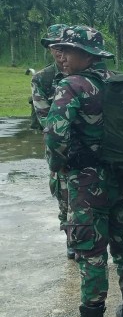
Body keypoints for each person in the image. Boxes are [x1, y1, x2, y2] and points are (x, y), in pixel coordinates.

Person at [44, 26, 123, 317]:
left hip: (87, 181)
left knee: (90, 251)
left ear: (86, 55)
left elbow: (56, 135)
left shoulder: (72, 86)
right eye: (58, 49)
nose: (60, 55)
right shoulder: (117, 82)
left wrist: (59, 166)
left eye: (67, 50)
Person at [30, 25, 72, 258]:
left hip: (90, 146)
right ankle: (70, 238)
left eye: (63, 46)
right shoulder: (43, 79)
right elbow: (45, 117)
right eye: (54, 46)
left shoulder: (85, 73)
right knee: (64, 192)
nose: (59, 51)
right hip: (60, 146)